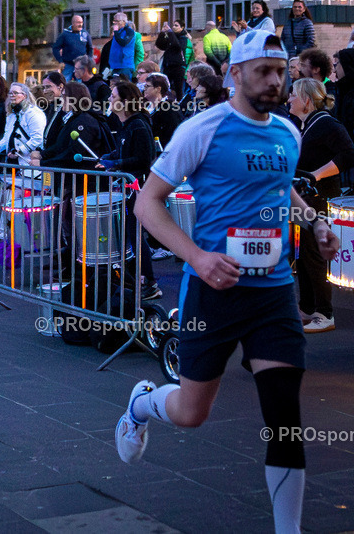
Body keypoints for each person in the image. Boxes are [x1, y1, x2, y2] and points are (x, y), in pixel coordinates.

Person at [126, 29, 339, 534]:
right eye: (263, 71)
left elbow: (281, 189)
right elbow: (146, 203)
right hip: (213, 293)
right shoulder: (201, 130)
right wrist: (198, 258)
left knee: (284, 415)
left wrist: (315, 222)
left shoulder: (287, 133)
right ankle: (141, 404)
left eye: (281, 71)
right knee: (191, 413)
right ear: (234, 74)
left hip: (274, 294)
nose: (274, 81)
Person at [288, 78, 354, 333]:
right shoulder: (304, 125)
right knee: (302, 253)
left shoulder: (326, 123)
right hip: (302, 198)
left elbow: (349, 154)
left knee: (314, 254)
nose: (289, 99)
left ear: (306, 99)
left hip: (319, 197)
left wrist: (315, 175)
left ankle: (325, 313)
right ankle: (307, 307)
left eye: (293, 95)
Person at [100, 81, 160, 300]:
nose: (109, 99)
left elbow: (144, 159)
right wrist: (111, 157)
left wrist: (117, 164)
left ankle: (150, 282)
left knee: (136, 235)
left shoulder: (139, 125)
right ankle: (136, 279)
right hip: (128, 189)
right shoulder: (126, 125)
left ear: (125, 102)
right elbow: (125, 150)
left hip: (138, 188)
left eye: (113, 96)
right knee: (130, 235)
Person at [0, 82, 45, 167]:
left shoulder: (34, 113)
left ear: (24, 95)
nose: (12, 95)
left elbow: (37, 138)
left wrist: (20, 150)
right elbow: (7, 137)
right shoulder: (11, 115)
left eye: (15, 93)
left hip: (28, 163)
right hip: (12, 163)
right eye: (10, 93)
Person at [156, 21, 190, 99]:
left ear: (182, 28)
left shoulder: (184, 38)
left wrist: (170, 33)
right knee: (166, 87)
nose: (174, 27)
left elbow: (177, 46)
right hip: (168, 66)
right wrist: (162, 33)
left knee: (179, 89)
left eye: (176, 25)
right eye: (173, 25)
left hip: (178, 67)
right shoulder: (170, 37)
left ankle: (179, 102)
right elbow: (160, 45)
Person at [53, 15, 93, 80]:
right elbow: (55, 48)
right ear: (73, 23)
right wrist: (60, 61)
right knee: (65, 82)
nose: (80, 24)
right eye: (78, 22)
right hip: (68, 64)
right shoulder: (65, 34)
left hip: (81, 65)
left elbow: (90, 48)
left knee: (81, 83)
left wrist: (89, 60)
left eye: (81, 22)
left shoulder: (85, 34)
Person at [108, 13, 140, 82]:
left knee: (125, 85)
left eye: (117, 21)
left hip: (125, 65)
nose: (115, 23)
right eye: (114, 21)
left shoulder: (129, 31)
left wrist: (115, 32)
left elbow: (123, 43)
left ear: (123, 21)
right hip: (115, 65)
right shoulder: (118, 32)